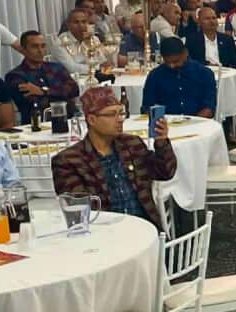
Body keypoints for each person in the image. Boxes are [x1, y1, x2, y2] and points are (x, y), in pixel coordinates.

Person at [52, 86, 176, 228]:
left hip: (145, 227)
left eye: (121, 113)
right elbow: (79, 214)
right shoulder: (69, 161)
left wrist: (161, 142)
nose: (120, 119)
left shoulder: (132, 144)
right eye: (111, 114)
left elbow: (165, 172)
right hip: (104, 233)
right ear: (91, 119)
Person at [5, 31, 80, 125]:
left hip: (68, 120)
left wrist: (43, 91)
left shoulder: (56, 68)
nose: (40, 51)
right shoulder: (15, 76)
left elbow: (74, 90)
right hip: (36, 125)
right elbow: (35, 103)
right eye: (35, 46)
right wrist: (61, 96)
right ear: (23, 49)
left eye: (43, 46)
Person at [141, 37, 217, 118]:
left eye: (176, 61)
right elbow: (147, 107)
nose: (172, 66)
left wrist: (193, 122)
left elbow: (209, 108)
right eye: (167, 62)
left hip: (199, 121)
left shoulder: (204, 73)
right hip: (165, 122)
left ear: (185, 53)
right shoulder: (155, 76)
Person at [54, 8, 104, 75]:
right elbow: (72, 68)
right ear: (68, 25)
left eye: (84, 22)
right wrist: (98, 68)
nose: (81, 25)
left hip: (95, 76)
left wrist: (89, 45)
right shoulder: (60, 42)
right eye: (76, 22)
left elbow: (103, 62)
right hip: (72, 79)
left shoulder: (94, 39)